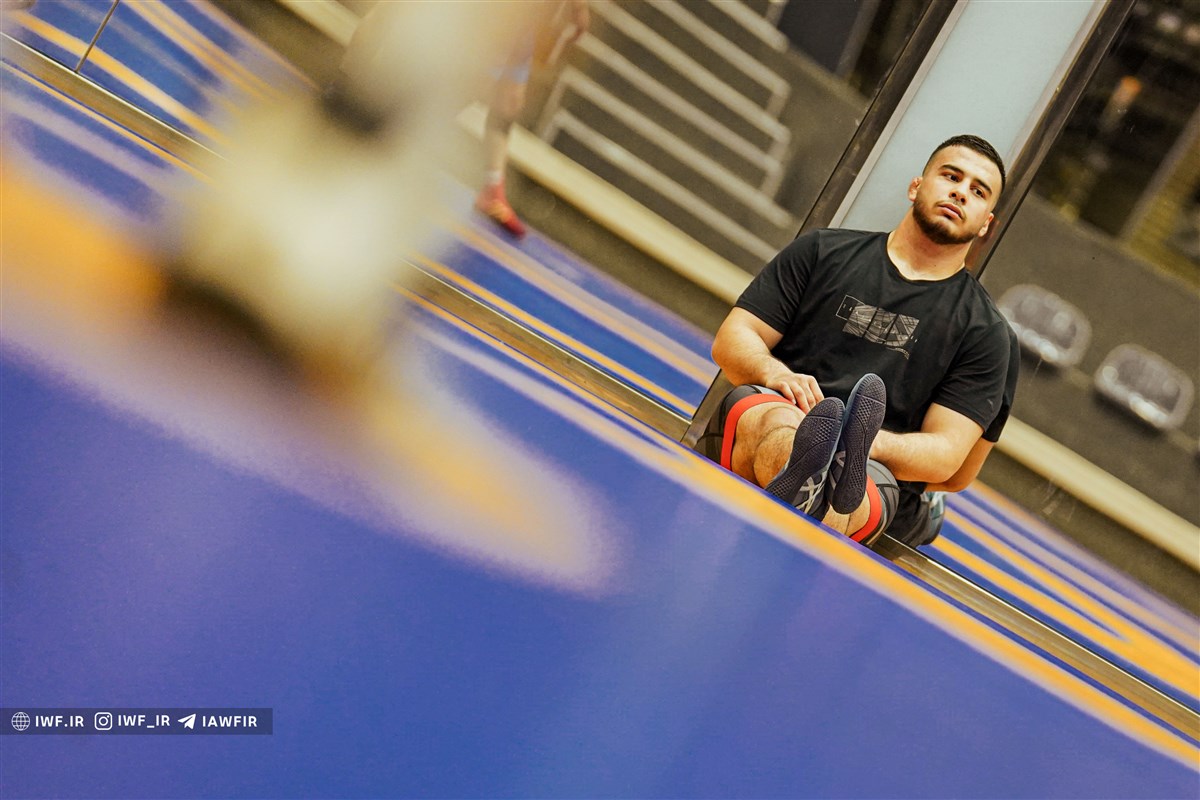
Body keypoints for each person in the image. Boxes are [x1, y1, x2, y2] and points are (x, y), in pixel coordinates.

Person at [696, 134, 1020, 548]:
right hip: (779, 411)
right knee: (778, 423)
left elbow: (947, 458)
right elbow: (731, 340)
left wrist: (862, 442)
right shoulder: (821, 251)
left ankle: (816, 487)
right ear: (916, 186)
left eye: (978, 191)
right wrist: (774, 373)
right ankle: (810, 483)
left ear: (986, 224)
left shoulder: (986, 332)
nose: (960, 192)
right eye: (951, 176)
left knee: (862, 485)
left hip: (873, 464)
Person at [475, 0, 590, 238]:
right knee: (475, 82)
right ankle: (404, 138)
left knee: (509, 101)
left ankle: (493, 189)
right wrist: (579, 8)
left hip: (525, 19)